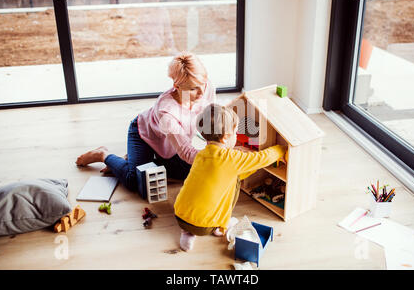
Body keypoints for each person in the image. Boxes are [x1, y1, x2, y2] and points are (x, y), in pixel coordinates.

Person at [76, 52, 216, 199]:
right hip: (144, 135)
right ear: (177, 86)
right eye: (193, 89)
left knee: (191, 171)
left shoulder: (206, 87)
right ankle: (103, 154)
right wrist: (216, 158)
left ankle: (130, 161)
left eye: (203, 84)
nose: (202, 92)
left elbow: (210, 120)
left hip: (170, 145)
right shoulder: (166, 111)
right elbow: (187, 152)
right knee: (135, 181)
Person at [174, 103, 287, 251]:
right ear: (226, 137)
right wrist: (281, 149)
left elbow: (228, 171)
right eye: (235, 133)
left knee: (207, 189)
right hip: (205, 226)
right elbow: (261, 158)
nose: (236, 136)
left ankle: (187, 234)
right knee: (235, 183)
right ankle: (220, 227)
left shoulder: (201, 155)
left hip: (180, 215)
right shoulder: (231, 158)